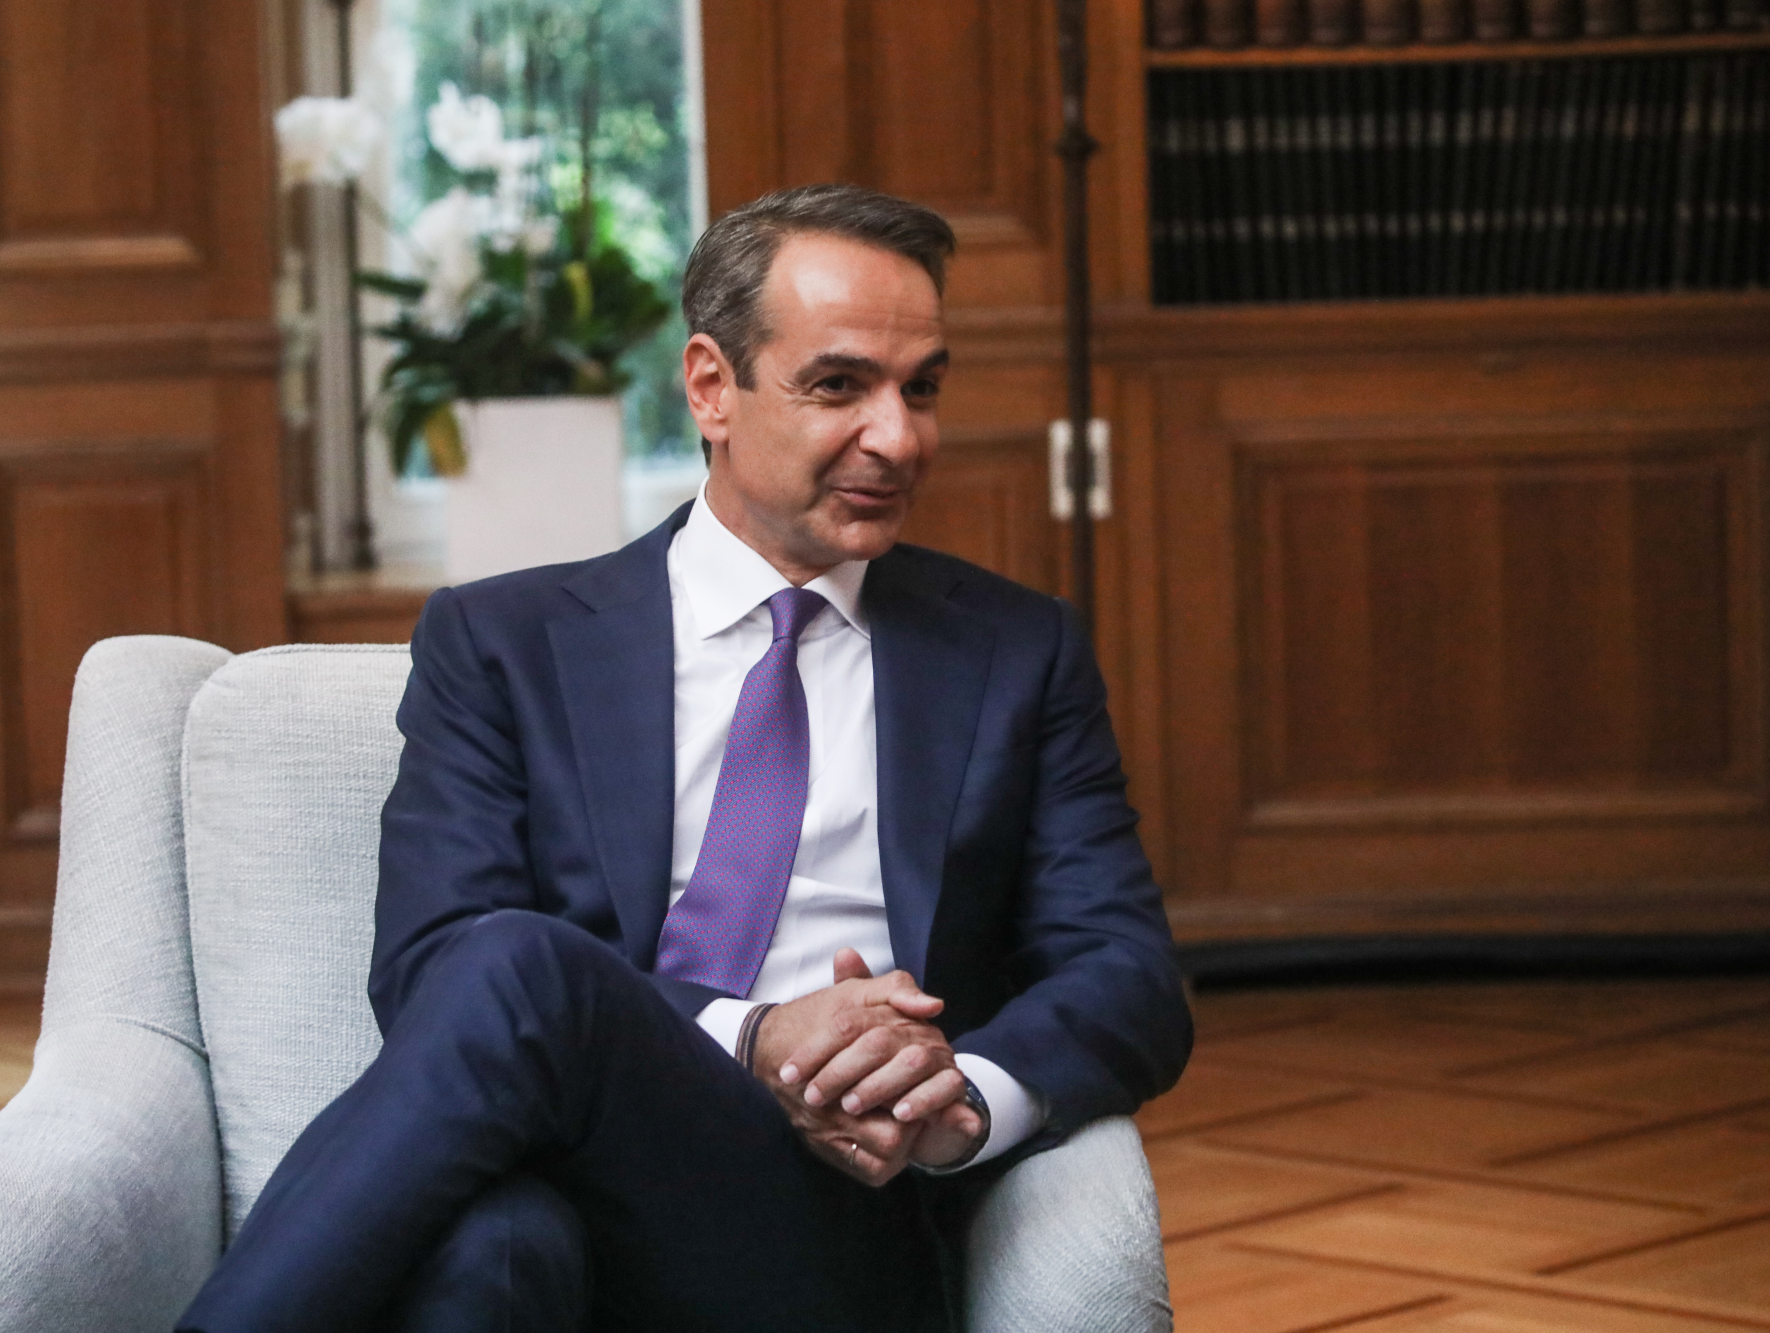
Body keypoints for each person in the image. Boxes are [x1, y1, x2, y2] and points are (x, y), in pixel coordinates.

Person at [178, 183, 1192, 1333]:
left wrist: (954, 1098)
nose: (897, 436)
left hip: (838, 1227)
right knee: (487, 1247)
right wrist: (756, 1033)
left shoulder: (1014, 651)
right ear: (711, 386)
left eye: (920, 389)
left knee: (520, 970)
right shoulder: (503, 642)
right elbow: (429, 969)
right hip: (575, 1185)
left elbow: (1128, 973)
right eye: (838, 386)